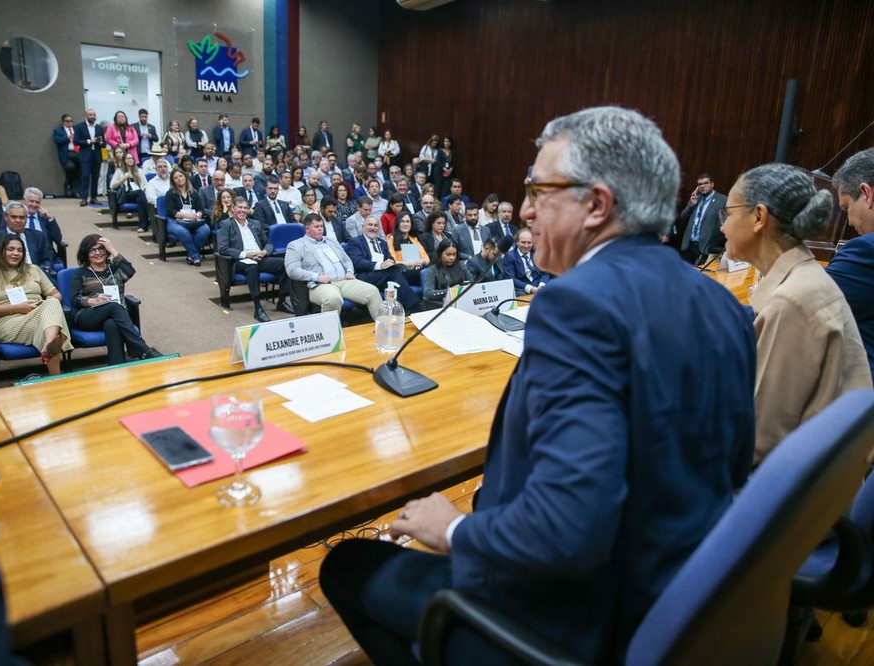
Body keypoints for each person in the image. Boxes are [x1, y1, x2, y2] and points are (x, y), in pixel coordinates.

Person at [319, 106, 757, 665]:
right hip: (683, 599)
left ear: (596, 204)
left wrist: (455, 530)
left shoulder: (577, 303)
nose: (524, 209)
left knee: (349, 566)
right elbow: (732, 464)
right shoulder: (720, 301)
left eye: (539, 190)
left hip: (581, 618)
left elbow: (567, 530)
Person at [720, 162, 871, 464]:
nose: (722, 225)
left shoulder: (794, 300)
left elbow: (759, 441)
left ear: (759, 217)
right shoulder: (803, 278)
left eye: (729, 212)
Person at [0, 234, 72, 376]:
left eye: (20, 250)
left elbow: (56, 293)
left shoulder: (34, 269)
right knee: (53, 323)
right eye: (11, 249)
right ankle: (56, 374)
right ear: (1, 251)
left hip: (38, 314)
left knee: (52, 304)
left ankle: (49, 343)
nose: (16, 253)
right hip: (7, 321)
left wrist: (52, 298)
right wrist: (16, 308)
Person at [70, 235, 160, 365]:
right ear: (86, 254)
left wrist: (112, 248)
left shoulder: (115, 269)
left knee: (111, 324)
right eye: (92, 250)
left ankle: (116, 366)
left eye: (101, 249)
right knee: (114, 306)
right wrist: (93, 301)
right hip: (88, 315)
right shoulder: (81, 273)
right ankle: (142, 349)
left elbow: (129, 270)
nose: (97, 253)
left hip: (115, 316)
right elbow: (74, 299)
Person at [827, 148, 874, 382]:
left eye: (846, 208)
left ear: (867, 193)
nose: (849, 222)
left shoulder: (865, 250)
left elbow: (805, 305)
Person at [284, 213, 382, 319]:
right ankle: (329, 334)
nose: (320, 229)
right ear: (307, 229)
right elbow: (292, 270)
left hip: (343, 280)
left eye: (321, 226)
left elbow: (347, 260)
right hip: (320, 284)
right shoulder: (296, 245)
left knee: (373, 291)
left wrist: (349, 271)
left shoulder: (331, 241)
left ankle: (384, 329)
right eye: (316, 227)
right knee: (333, 298)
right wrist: (316, 276)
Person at [216, 198, 289, 322]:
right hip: (240, 261)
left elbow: (268, 243)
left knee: (284, 264)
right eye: (239, 207)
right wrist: (246, 254)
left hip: (260, 258)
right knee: (252, 268)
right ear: (232, 209)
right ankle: (258, 308)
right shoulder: (226, 224)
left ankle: (282, 301)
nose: (242, 210)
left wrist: (264, 252)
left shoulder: (255, 224)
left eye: (245, 208)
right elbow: (223, 249)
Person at [345, 216, 420, 313]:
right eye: (370, 225)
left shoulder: (383, 243)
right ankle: (414, 307)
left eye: (376, 225)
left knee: (397, 275)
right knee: (393, 273)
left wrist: (391, 263)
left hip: (384, 275)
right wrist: (379, 265)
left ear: (379, 229)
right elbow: (357, 262)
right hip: (364, 277)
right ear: (363, 227)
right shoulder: (355, 242)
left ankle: (400, 311)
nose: (373, 228)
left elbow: (390, 259)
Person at [0, 202, 54, 280]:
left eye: (22, 217)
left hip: (35, 278)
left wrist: (38, 274)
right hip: (3, 280)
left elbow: (47, 261)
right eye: (14, 217)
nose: (18, 221)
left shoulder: (38, 236)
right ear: (5, 217)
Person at [164, 168, 210, 266]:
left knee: (205, 229)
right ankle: (195, 256)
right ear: (173, 181)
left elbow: (200, 209)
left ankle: (191, 255)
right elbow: (171, 211)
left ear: (185, 177)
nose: (179, 179)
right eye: (176, 178)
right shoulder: (170, 193)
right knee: (182, 232)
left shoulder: (194, 192)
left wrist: (197, 215)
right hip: (175, 220)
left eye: (181, 176)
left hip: (193, 220)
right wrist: (186, 215)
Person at [679, 172, 726, 265]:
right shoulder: (696, 198)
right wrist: (691, 205)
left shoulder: (722, 200)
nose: (702, 186)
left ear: (712, 184)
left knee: (699, 277)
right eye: (700, 184)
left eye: (706, 183)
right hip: (689, 245)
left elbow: (725, 222)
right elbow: (682, 217)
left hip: (705, 247)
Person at [501, 228, 552, 294]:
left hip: (540, 287)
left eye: (529, 243)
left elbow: (545, 272)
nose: (526, 246)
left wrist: (541, 286)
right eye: (523, 242)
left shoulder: (537, 253)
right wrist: (530, 288)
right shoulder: (509, 256)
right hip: (522, 290)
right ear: (517, 242)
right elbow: (511, 279)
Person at [109, 153, 150, 232]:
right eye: (128, 158)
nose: (130, 160)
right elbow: (112, 186)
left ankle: (142, 226)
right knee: (140, 193)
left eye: (131, 158)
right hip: (126, 195)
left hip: (139, 195)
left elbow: (145, 184)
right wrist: (124, 178)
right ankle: (150, 214)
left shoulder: (139, 171)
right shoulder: (119, 171)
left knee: (140, 199)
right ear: (124, 160)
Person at [386, 211, 429, 285]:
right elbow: (393, 262)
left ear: (411, 224)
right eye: (402, 221)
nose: (405, 224)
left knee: (430, 271)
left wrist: (421, 262)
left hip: (417, 268)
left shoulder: (414, 239)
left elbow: (427, 259)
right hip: (402, 271)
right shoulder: (390, 238)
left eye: (407, 221)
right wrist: (412, 263)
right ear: (397, 224)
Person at [420, 238, 465, 308]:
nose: (452, 258)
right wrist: (450, 291)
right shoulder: (432, 270)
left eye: (454, 254)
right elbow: (428, 293)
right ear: (440, 253)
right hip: (438, 306)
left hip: (460, 303)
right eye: (448, 254)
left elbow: (471, 282)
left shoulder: (461, 266)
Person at [73, 108, 105, 206]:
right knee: (85, 176)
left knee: (96, 177)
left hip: (97, 154)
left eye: (94, 115)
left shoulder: (99, 128)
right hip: (85, 155)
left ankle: (94, 197)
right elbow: (76, 141)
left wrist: (100, 142)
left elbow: (104, 143)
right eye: (90, 115)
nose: (93, 117)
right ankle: (84, 198)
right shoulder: (79, 126)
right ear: (86, 116)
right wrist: (89, 141)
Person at [52, 113, 80, 198]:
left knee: (79, 171)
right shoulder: (58, 130)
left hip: (78, 153)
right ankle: (68, 186)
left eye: (71, 121)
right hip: (67, 154)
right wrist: (69, 137)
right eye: (67, 121)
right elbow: (57, 140)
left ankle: (76, 190)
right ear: (63, 122)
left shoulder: (76, 129)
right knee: (70, 168)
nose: (69, 123)